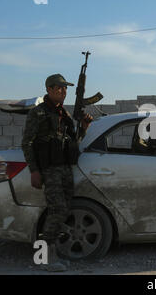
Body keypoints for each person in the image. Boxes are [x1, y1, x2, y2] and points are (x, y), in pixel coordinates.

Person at [21, 74, 93, 272]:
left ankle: (52, 255)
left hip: (64, 168)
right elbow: (26, 143)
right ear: (49, 90)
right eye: (60, 88)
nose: (64, 92)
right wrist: (34, 170)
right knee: (57, 210)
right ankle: (43, 258)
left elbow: (72, 142)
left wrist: (84, 128)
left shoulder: (65, 114)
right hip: (49, 169)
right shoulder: (38, 113)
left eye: (65, 89)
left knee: (64, 209)